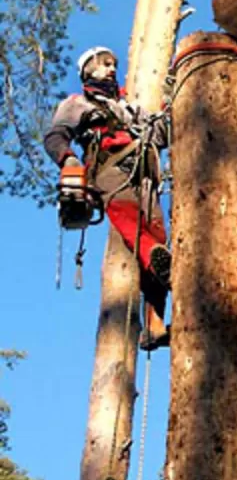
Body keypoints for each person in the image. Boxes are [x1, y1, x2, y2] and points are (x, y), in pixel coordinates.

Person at [44, 46, 172, 351]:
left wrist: (172, 99)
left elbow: (160, 134)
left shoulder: (129, 108)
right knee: (132, 222)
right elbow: (56, 135)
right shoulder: (78, 103)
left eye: (114, 64)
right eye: (104, 65)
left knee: (157, 236)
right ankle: (167, 269)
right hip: (109, 168)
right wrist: (68, 160)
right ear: (88, 70)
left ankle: (154, 325)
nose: (112, 69)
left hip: (142, 174)